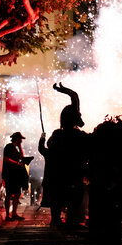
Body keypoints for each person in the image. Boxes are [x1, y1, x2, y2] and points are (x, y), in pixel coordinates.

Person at [46, 83, 90, 228]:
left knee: (59, 198)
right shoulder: (79, 136)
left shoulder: (57, 135)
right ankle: (70, 219)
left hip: (58, 175)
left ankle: (56, 219)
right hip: (73, 174)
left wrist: (66, 91)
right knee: (75, 198)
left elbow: (49, 148)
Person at [2, 132, 28, 220]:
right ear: (17, 139)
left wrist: (20, 148)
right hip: (10, 174)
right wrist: (17, 163)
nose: (21, 141)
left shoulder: (16, 148)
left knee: (17, 194)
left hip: (16, 175)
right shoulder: (9, 147)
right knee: (9, 194)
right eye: (20, 139)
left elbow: (21, 157)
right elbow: (6, 159)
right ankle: (7, 215)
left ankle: (14, 214)